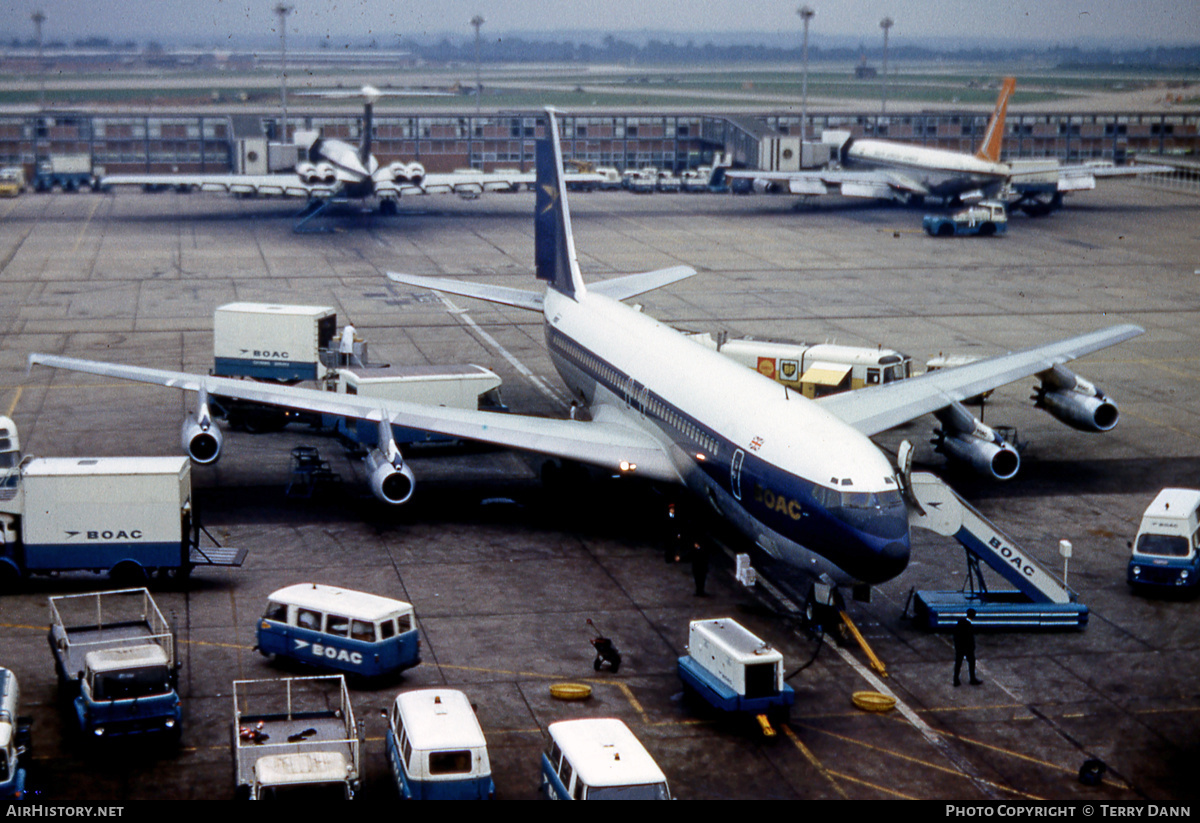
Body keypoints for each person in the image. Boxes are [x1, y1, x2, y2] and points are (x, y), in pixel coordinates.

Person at [953, 608, 982, 686]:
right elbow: (970, 638)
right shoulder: (969, 626)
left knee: (958, 663)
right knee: (971, 663)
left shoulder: (960, 622)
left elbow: (956, 634)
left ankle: (956, 679)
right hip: (968, 648)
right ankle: (972, 679)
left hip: (959, 647)